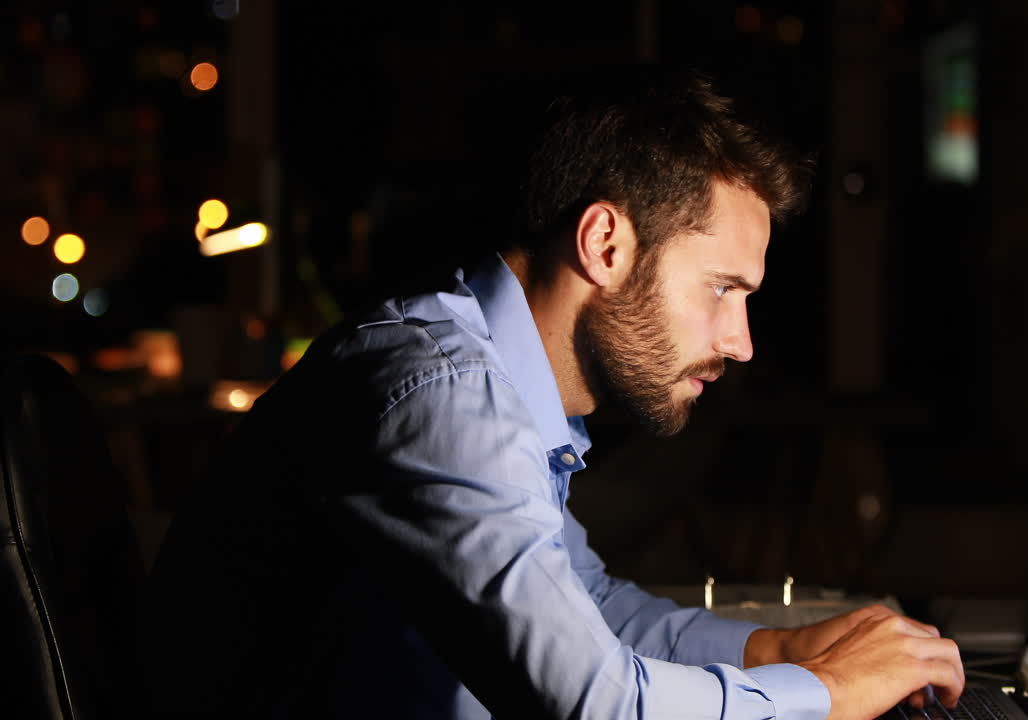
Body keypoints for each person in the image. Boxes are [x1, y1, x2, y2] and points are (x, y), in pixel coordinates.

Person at [142, 68, 963, 720]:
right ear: (606, 244)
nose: (741, 341)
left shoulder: (491, 379)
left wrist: (779, 654)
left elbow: (588, 608)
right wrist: (833, 695)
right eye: (722, 289)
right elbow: (593, 703)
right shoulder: (441, 396)